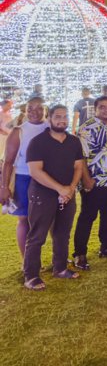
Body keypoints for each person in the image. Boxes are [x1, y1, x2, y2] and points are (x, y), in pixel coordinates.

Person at [21, 105, 85, 290]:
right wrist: (60, 189)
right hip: (42, 195)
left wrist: (70, 189)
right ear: (49, 119)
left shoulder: (73, 141)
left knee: (62, 234)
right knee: (37, 236)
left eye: (65, 116)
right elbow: (35, 171)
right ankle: (31, 276)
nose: (62, 120)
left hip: (67, 194)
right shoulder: (38, 142)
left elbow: (78, 167)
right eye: (58, 116)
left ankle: (60, 268)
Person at [73, 96, 107, 270]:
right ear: (96, 109)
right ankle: (79, 253)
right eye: (102, 107)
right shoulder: (87, 128)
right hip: (95, 180)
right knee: (88, 216)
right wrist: (86, 179)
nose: (106, 110)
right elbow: (80, 156)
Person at [0, 97, 48, 261]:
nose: (34, 112)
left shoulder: (52, 127)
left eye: (39, 108)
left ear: (45, 110)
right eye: (30, 108)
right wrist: (4, 187)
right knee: (24, 219)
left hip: (48, 179)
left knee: (51, 219)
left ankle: (59, 257)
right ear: (25, 110)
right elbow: (8, 162)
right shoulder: (19, 130)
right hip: (24, 179)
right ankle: (27, 260)